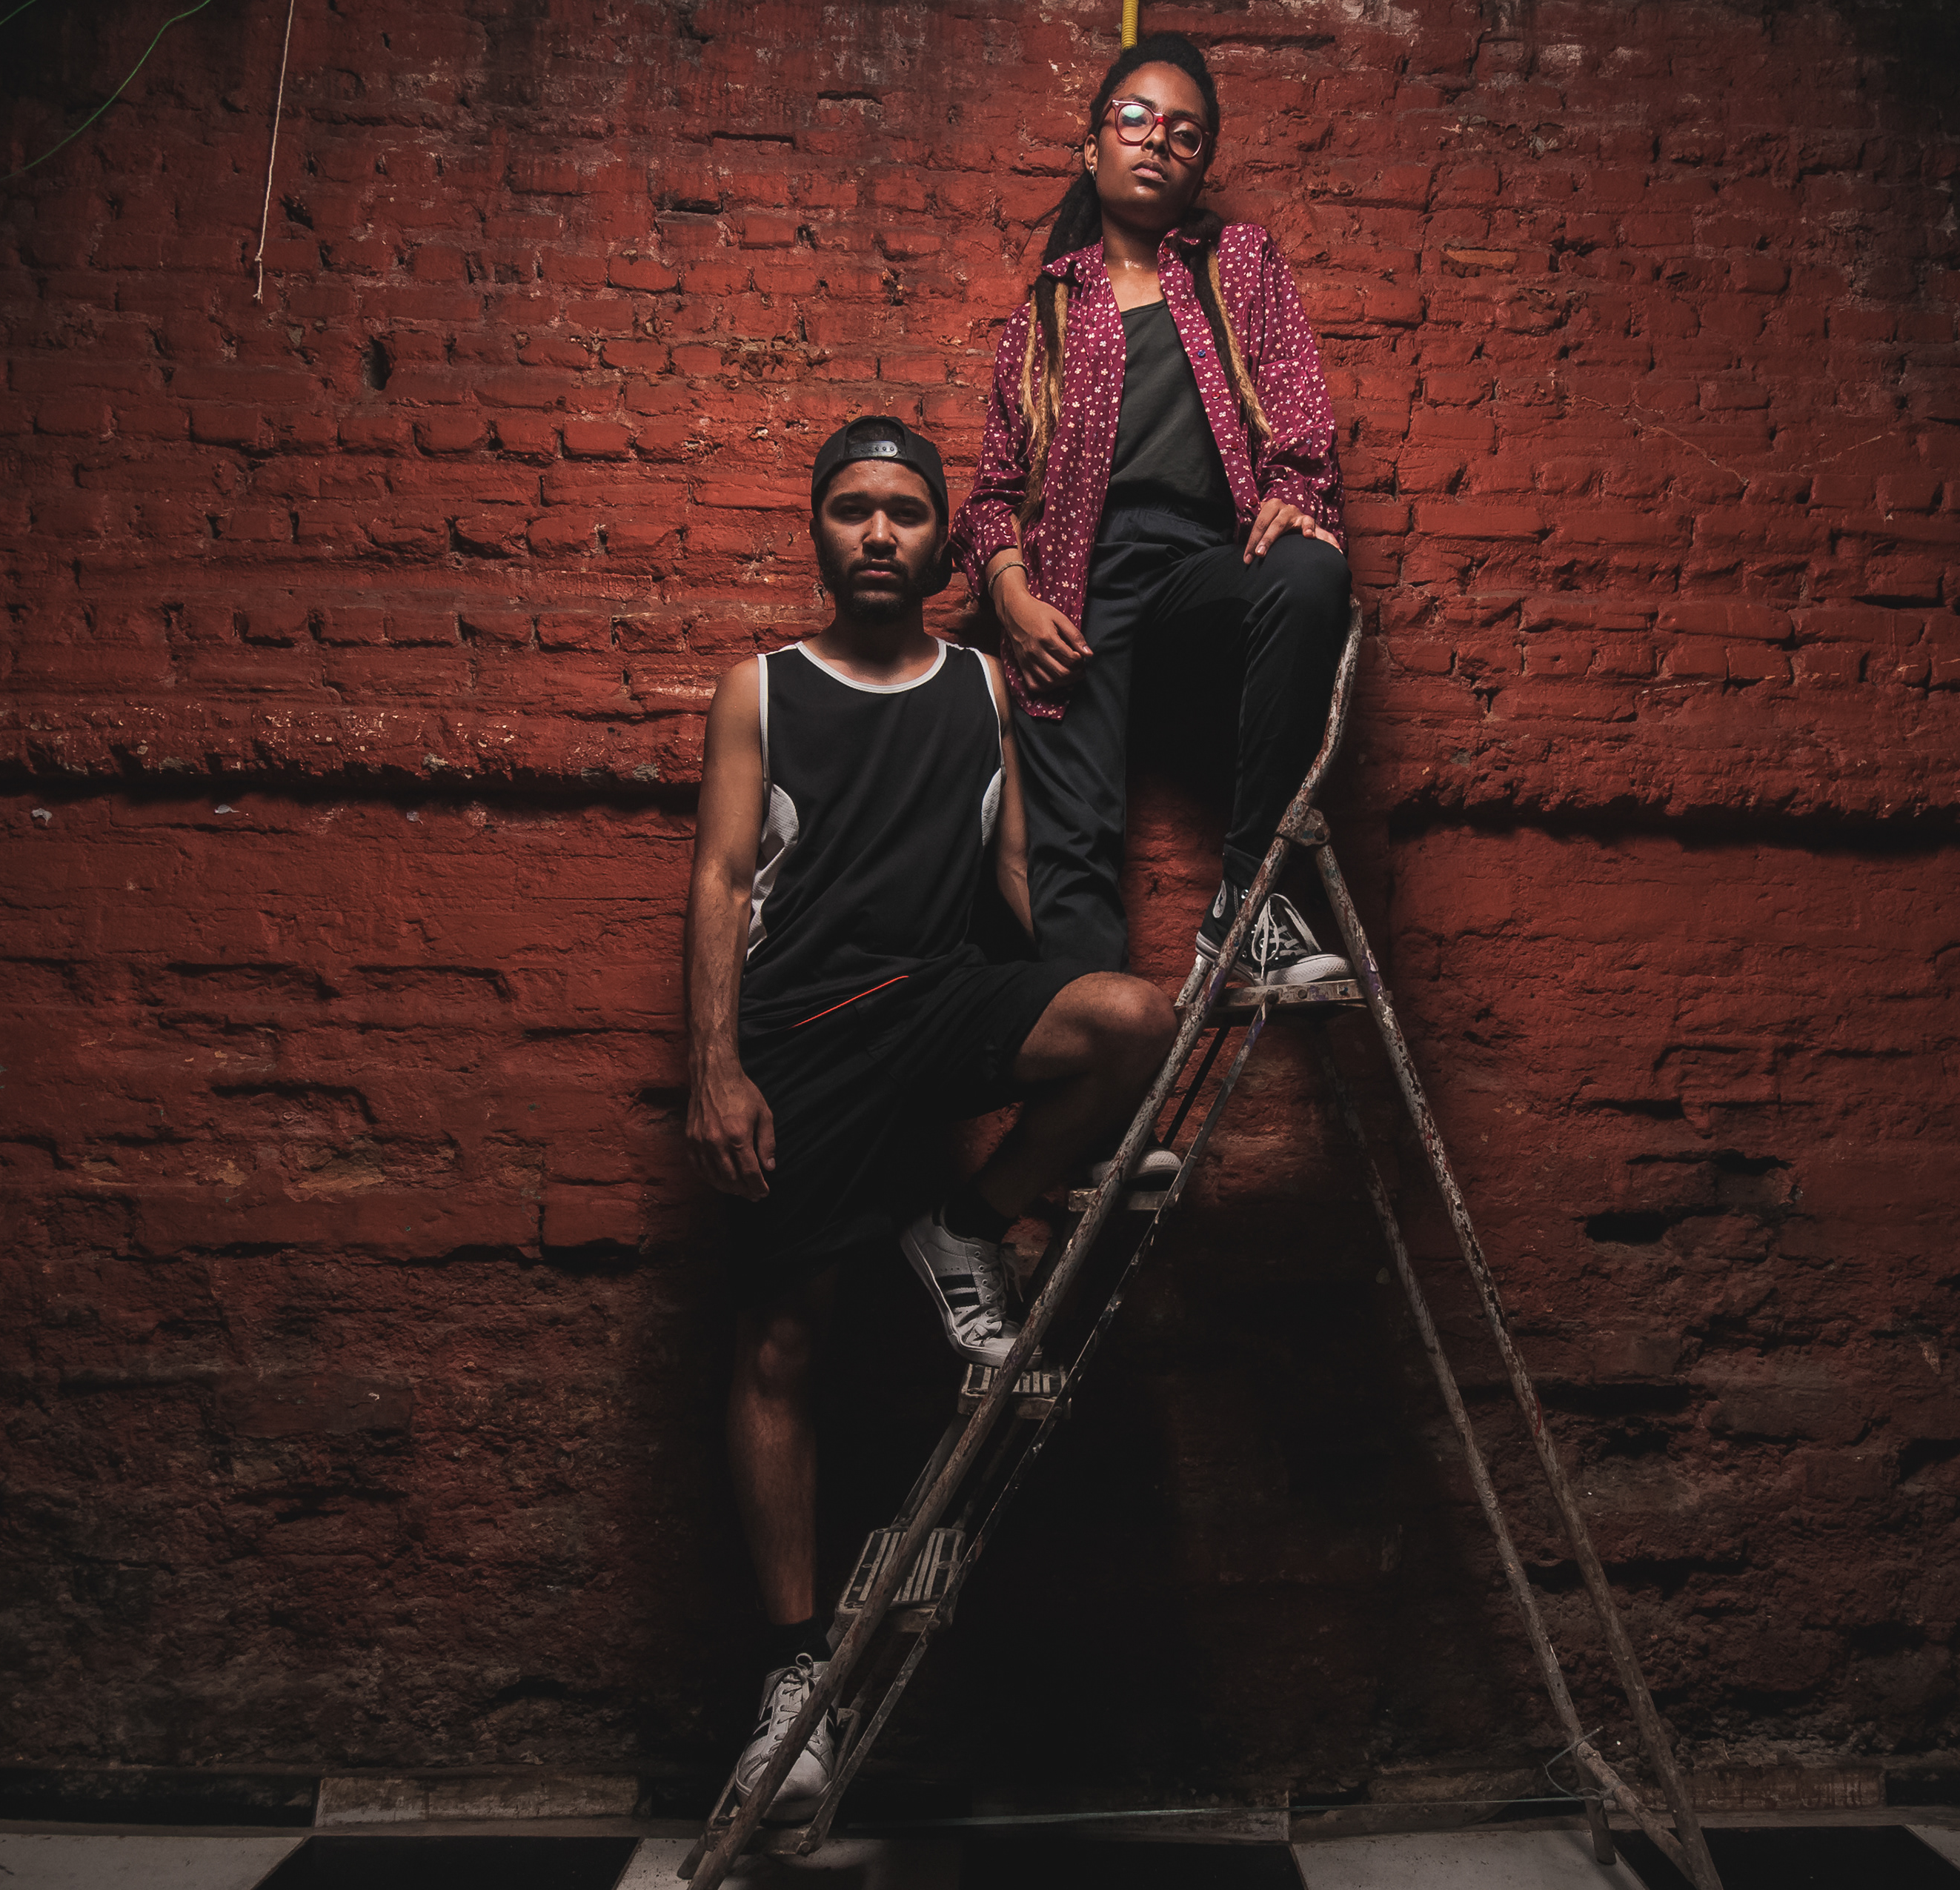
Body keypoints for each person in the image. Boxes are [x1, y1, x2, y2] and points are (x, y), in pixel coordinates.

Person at [682, 416, 1174, 1813]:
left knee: (1131, 1018)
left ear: (943, 535)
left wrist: (1084, 1024)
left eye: (905, 510)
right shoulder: (759, 689)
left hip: (937, 1000)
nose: (880, 533)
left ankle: (966, 1223)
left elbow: (1017, 874)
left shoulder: (981, 685)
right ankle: (794, 1676)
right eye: (854, 509)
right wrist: (714, 1069)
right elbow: (722, 881)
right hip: (797, 1036)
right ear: (820, 531)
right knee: (780, 1340)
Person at [951, 30, 1356, 988]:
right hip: (1074, 589)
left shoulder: (1241, 264)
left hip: (1198, 572)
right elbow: (993, 493)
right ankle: (1104, 1071)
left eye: (1184, 133)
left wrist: (1295, 496)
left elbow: (1300, 416)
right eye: (1134, 118)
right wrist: (1012, 599)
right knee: (1074, 854)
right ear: (1093, 143)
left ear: (1202, 163)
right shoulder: (1046, 313)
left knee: (1314, 572)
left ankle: (1248, 909)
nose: (1156, 141)